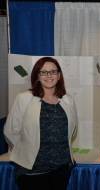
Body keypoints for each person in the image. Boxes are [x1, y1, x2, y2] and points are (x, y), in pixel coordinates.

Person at [4, 57, 78, 190]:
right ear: (37, 76)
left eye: (53, 72)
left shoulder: (68, 100)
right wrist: (27, 150)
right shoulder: (24, 98)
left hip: (61, 169)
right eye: (43, 72)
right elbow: (10, 131)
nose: (49, 75)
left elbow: (72, 131)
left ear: (59, 75)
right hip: (33, 172)